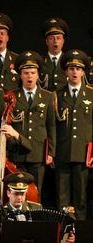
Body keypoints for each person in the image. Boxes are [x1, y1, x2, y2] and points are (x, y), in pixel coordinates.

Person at [9, 51, 56, 199]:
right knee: (17, 191)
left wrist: (51, 152)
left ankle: (34, 220)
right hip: (17, 153)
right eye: (26, 73)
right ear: (20, 75)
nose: (29, 76)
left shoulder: (48, 96)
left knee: (36, 191)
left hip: (38, 152)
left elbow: (51, 126)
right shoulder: (11, 96)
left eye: (32, 73)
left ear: (38, 75)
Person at [54, 49, 93, 220]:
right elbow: (53, 126)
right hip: (62, 152)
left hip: (84, 154)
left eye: (78, 69)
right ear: (65, 72)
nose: (74, 72)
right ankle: (63, 233)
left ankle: (81, 234)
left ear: (84, 71)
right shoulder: (57, 95)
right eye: (71, 68)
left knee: (81, 198)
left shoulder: (91, 94)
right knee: (62, 199)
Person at [0, 172, 75, 243]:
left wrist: (66, 236)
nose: (20, 197)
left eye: (22, 194)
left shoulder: (36, 208)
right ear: (8, 193)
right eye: (16, 193)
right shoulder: (1, 213)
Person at [41, 17, 69, 91]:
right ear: (46, 41)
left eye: (58, 38)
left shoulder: (69, 62)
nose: (55, 41)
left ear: (63, 41)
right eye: (51, 38)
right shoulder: (40, 62)